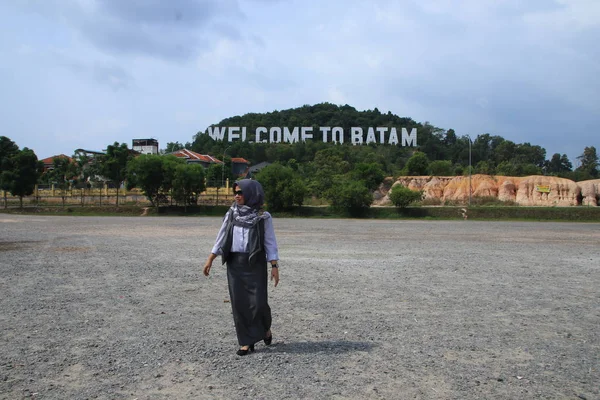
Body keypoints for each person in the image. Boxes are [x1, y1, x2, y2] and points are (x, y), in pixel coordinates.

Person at [203, 179, 280, 356]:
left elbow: (270, 241)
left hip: (255, 263)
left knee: (258, 303)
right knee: (239, 304)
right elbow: (221, 236)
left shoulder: (263, 216)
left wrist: (274, 265)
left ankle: (265, 329)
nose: (237, 196)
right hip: (235, 264)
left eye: (240, 192)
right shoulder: (232, 213)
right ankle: (246, 341)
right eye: (235, 193)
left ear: (251, 194)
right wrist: (211, 258)